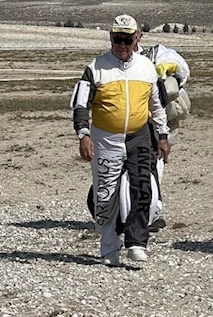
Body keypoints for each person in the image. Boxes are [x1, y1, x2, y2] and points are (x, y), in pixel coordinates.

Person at [70, 14, 171, 266]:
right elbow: (80, 105)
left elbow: (157, 106)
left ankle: (137, 242)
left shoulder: (147, 68)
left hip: (139, 137)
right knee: (105, 195)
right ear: (110, 37)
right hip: (105, 139)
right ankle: (109, 246)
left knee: (142, 187)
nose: (122, 45)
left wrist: (163, 135)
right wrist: (84, 134)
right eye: (117, 39)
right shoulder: (95, 68)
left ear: (137, 39)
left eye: (127, 40)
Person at [133, 28, 192, 232]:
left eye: (130, 37)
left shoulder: (158, 54)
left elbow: (183, 71)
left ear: (138, 36)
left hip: (156, 123)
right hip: (127, 122)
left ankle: (153, 212)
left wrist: (170, 69)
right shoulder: (114, 62)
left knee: (154, 167)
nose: (125, 43)